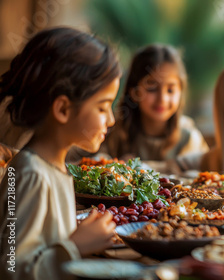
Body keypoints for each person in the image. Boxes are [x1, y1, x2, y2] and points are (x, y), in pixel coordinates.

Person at [0, 27, 120, 279]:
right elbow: (11, 268)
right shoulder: (31, 176)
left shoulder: (54, 168)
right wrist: (75, 247)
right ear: (63, 109)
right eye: (102, 107)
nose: (111, 120)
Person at [101, 44, 208, 171]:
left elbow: (200, 177)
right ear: (134, 92)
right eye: (152, 88)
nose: (162, 99)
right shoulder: (115, 132)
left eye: (170, 90)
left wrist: (139, 167)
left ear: (181, 92)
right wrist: (113, 163)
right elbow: (93, 161)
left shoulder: (188, 137)